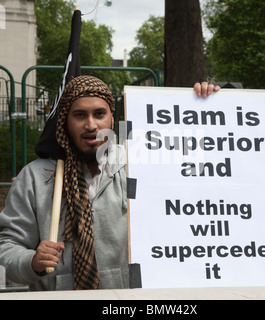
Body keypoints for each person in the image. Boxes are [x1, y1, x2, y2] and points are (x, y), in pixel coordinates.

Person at [0, 77, 220, 291]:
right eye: (79, 115)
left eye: (99, 114)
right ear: (65, 121)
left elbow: (198, 190)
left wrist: (203, 107)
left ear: (112, 119)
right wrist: (32, 262)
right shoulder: (35, 177)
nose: (91, 124)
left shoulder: (140, 165)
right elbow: (7, 248)